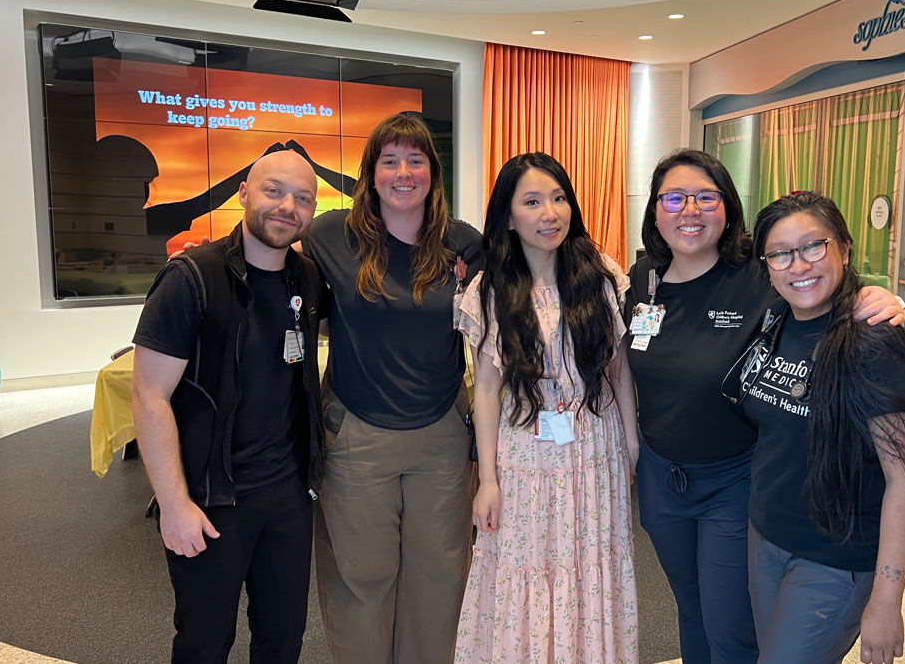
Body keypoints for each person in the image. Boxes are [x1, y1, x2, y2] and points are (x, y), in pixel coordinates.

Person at [624, 150, 905, 663]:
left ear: (726, 208)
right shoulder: (644, 279)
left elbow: (816, 281)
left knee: (729, 625)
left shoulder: (757, 275)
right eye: (674, 197)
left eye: (706, 196)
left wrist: (879, 295)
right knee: (689, 607)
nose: (690, 209)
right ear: (655, 211)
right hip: (664, 481)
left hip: (734, 482)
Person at [131, 149, 325, 663]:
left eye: (303, 198)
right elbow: (149, 396)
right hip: (211, 500)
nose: (288, 206)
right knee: (204, 644)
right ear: (243, 194)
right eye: (274, 190)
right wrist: (173, 505)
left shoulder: (306, 279)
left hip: (287, 496)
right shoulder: (191, 277)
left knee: (282, 641)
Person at [302, 112, 483, 663]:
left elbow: (521, 305)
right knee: (361, 576)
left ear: (433, 171)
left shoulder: (464, 244)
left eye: (416, 159)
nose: (403, 172)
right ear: (371, 172)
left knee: (441, 573)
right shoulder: (330, 236)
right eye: (390, 161)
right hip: (358, 431)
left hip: (442, 435)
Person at [453, 153, 639, 662]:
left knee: (590, 569)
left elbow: (617, 371)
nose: (549, 213)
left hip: (594, 452)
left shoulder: (601, 277)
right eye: (532, 201)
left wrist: (631, 443)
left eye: (558, 198)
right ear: (508, 215)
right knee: (524, 571)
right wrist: (487, 480)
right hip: (524, 458)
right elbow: (486, 390)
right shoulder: (488, 290)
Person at [738, 191, 905, 664]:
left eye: (813, 246)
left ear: (844, 248)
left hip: (835, 560)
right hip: (767, 538)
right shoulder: (776, 319)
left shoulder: (873, 343)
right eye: (781, 253)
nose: (798, 265)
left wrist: (887, 601)